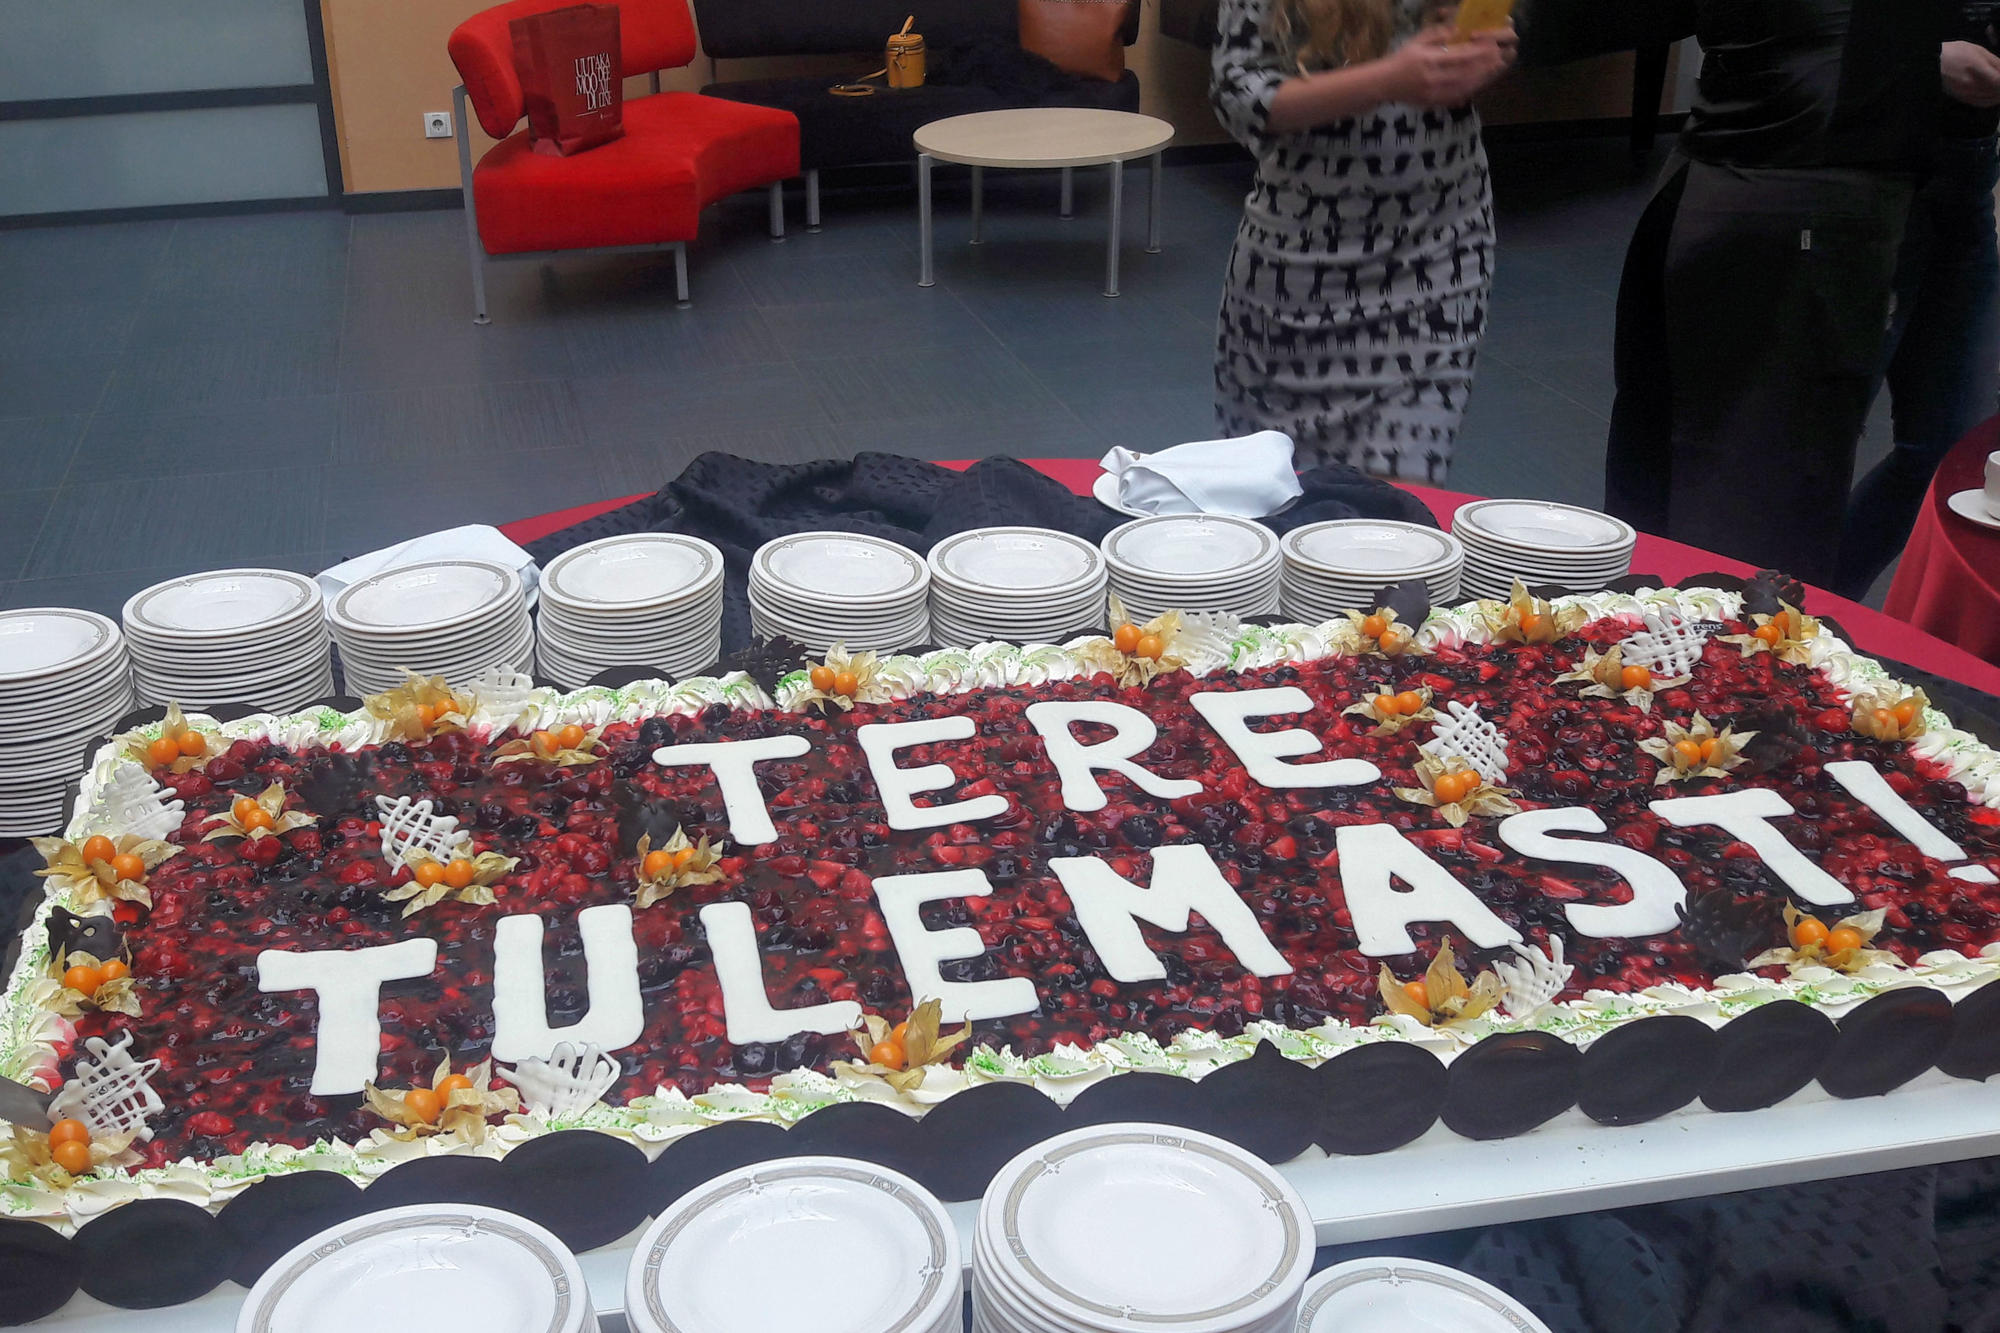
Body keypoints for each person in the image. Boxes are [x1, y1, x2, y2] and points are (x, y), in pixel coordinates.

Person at [1596, 0, 1951, 588]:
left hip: (1830, 164)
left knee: (1747, 493)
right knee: (1739, 498)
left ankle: (1727, 642)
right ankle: (1696, 653)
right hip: (1794, 170)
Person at [1210, 0, 1518, 482]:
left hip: (1438, 255)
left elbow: (1466, 43)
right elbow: (1238, 95)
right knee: (1271, 497)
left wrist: (1481, 53)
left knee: (1388, 521)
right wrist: (1387, 80)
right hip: (1297, 274)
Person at [1834, 19, 2000, 600]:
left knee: (1954, 457)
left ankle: (1816, 606)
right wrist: (1914, 55)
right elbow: (1776, 29)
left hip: (1968, 181)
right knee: (1811, 451)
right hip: (1851, 186)